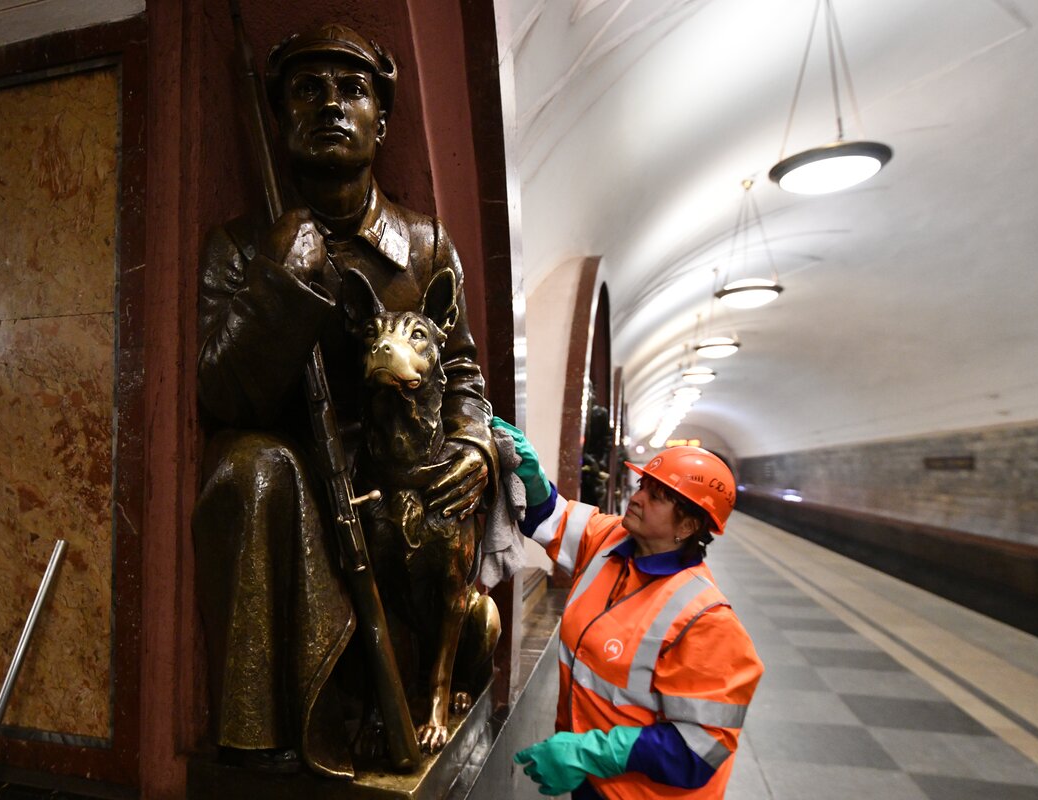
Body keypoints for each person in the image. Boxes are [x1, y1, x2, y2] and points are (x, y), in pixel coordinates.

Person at [192, 24, 496, 777]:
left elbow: (462, 370)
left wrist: (473, 441)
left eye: (351, 90)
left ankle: (412, 702)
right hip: (304, 475)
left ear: (381, 123)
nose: (330, 104)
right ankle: (262, 747)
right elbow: (223, 390)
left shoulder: (425, 246)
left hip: (400, 475)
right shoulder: (242, 245)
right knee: (251, 469)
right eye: (307, 90)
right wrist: (282, 277)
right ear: (281, 118)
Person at [493, 418, 763, 799]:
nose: (637, 498)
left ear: (687, 525)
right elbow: (550, 518)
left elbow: (700, 750)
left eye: (657, 496)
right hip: (591, 779)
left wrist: (590, 752)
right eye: (643, 485)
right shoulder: (611, 539)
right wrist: (532, 477)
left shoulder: (706, 621)